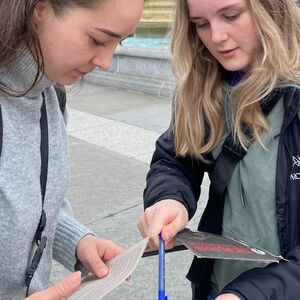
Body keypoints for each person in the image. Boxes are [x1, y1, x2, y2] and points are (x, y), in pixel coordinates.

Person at [138, 0, 300, 299]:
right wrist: (169, 198)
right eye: (201, 24)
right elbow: (175, 158)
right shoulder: (203, 88)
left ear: (273, 9)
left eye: (231, 16)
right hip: (218, 286)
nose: (216, 37)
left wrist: (252, 293)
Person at [0, 0, 144, 299]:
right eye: (99, 40)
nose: (106, 61)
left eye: (119, 43)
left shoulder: (50, 97)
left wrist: (75, 239)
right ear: (39, 9)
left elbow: (27, 196)